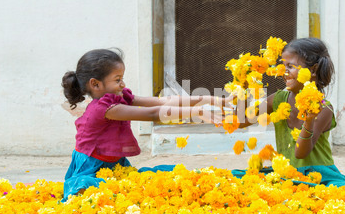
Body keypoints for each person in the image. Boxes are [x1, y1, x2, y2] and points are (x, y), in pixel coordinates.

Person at [61, 48, 228, 202]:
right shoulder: (103, 109)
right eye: (117, 79)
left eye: (122, 78)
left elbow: (164, 101)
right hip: (92, 165)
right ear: (95, 84)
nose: (123, 84)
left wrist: (211, 99)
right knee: (97, 196)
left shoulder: (119, 97)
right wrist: (197, 112)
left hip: (115, 163)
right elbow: (153, 113)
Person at [237, 38, 345, 190]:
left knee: (339, 192)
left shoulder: (323, 109)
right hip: (286, 175)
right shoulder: (278, 99)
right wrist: (242, 85)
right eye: (283, 65)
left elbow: (301, 153)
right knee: (236, 180)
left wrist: (309, 120)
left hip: (318, 176)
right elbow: (241, 121)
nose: (283, 72)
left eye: (290, 66)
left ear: (312, 70)